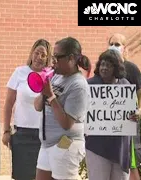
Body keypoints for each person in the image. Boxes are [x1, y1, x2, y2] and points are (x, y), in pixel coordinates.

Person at [33, 37, 91, 180]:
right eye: (53, 57)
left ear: (71, 58)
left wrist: (51, 96)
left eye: (57, 57)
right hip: (47, 144)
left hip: (66, 145)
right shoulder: (56, 77)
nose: (53, 62)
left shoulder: (79, 86)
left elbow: (66, 123)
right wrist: (42, 89)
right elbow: (37, 106)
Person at [2, 39, 52, 180]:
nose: (39, 57)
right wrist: (6, 130)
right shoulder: (19, 72)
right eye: (37, 53)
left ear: (48, 58)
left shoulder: (50, 77)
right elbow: (8, 104)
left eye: (43, 55)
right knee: (22, 176)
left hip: (43, 135)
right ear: (31, 53)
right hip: (21, 134)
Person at [85, 49, 138, 180]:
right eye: (102, 64)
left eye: (108, 65)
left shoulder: (125, 85)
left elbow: (133, 111)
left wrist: (135, 115)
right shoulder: (90, 85)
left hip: (120, 148)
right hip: (97, 147)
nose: (104, 68)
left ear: (117, 68)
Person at [107, 33, 141, 180]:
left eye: (118, 44)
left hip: (128, 123)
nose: (114, 47)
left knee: (130, 163)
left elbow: (140, 93)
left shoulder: (131, 68)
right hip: (109, 124)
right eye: (112, 43)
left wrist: (139, 110)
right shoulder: (104, 68)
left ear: (124, 48)